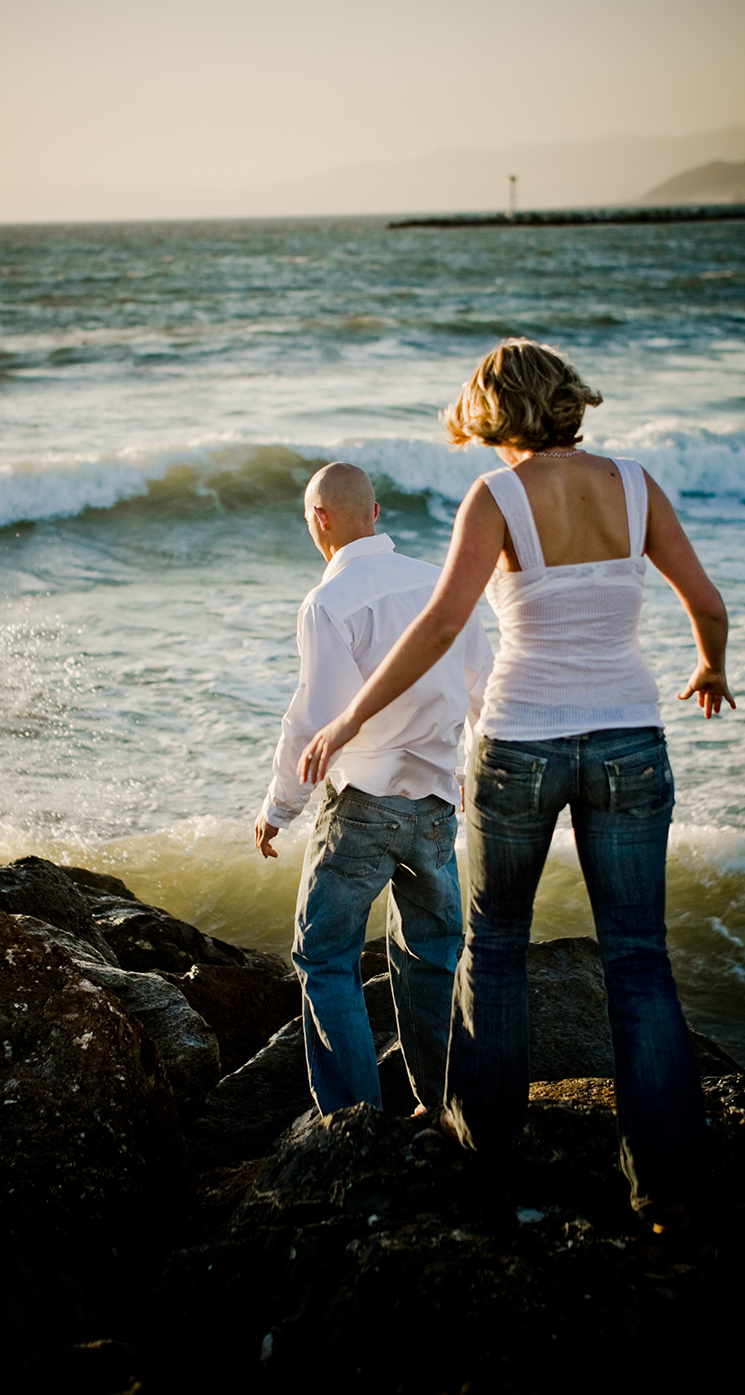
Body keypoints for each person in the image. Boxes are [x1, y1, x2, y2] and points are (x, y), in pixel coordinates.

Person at [299, 339, 733, 1223]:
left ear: (499, 413)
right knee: (640, 961)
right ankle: (668, 1184)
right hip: (629, 741)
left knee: (494, 949)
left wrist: (347, 720)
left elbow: (439, 626)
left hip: (522, 744)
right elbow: (708, 602)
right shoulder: (637, 484)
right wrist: (710, 666)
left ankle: (481, 1149)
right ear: (566, 398)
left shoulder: (496, 497)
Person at [256, 462, 492, 1118]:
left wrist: (278, 809)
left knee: (325, 955)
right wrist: (473, 770)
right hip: (438, 802)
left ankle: (354, 1123)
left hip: (364, 803)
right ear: (377, 513)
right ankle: (445, 1107)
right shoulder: (441, 585)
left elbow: (314, 717)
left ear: (320, 520)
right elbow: (485, 688)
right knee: (431, 955)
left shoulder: (328, 602)